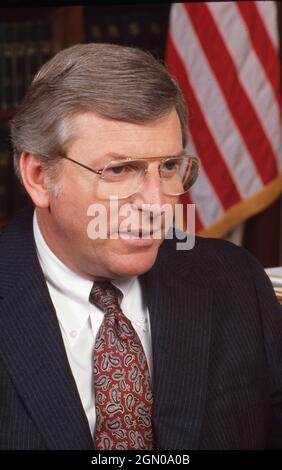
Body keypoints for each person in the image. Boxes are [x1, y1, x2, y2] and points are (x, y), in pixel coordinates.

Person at [0, 43, 281, 451]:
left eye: (168, 166)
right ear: (40, 177)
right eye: (119, 170)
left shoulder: (233, 279)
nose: (157, 203)